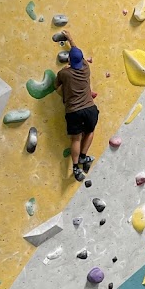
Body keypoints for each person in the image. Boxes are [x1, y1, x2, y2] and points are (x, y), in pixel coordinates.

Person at [55, 31, 99, 182]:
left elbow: (56, 86)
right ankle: (83, 156)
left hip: (73, 111)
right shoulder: (86, 67)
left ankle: (75, 167)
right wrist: (71, 40)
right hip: (89, 108)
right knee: (90, 131)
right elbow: (78, 53)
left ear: (69, 60)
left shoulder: (64, 74)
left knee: (76, 139)